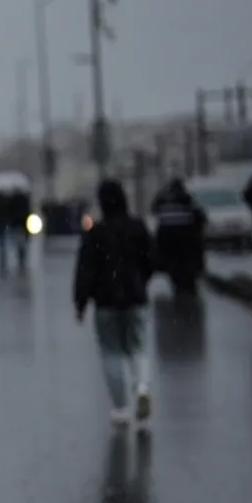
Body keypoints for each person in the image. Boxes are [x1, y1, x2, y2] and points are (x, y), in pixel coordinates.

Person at [74, 180, 156, 425]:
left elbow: (85, 271)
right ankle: (142, 387)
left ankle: (121, 408)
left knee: (111, 353)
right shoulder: (137, 227)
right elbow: (152, 259)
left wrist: (80, 303)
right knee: (138, 348)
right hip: (135, 298)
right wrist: (141, 281)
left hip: (105, 302)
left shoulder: (96, 233)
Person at [149, 178, 208, 297]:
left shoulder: (164, 200)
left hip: (169, 242)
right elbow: (200, 217)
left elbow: (154, 209)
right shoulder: (187, 200)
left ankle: (179, 285)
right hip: (185, 241)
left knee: (172, 265)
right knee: (187, 265)